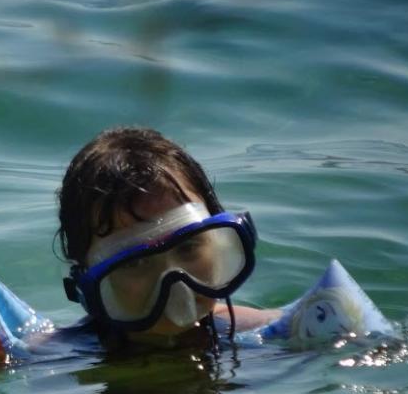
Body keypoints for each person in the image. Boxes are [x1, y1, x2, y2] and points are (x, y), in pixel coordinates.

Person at [56, 127, 279, 350]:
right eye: (136, 262)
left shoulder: (260, 330)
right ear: (86, 290)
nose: (176, 282)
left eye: (188, 246)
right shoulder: (57, 356)